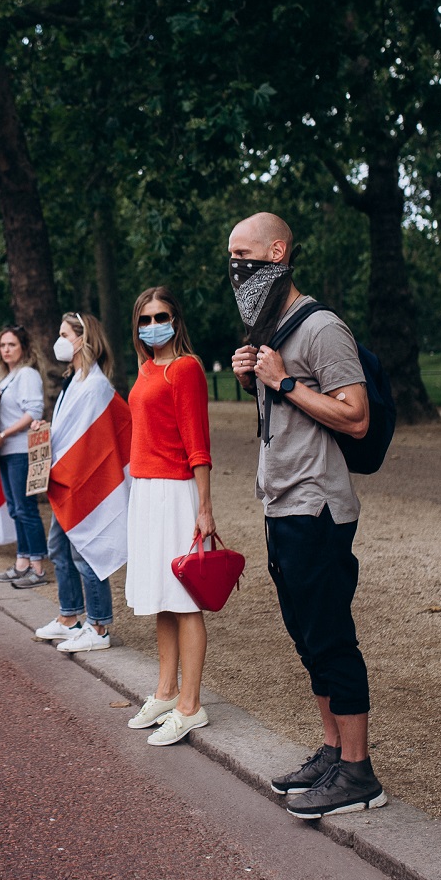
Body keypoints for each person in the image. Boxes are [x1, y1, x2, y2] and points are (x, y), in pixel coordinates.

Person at [227, 212, 382, 815]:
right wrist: (256, 381)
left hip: (317, 504)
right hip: (281, 501)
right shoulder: (272, 328)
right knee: (307, 637)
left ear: (278, 250)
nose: (236, 266)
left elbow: (356, 415)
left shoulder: (321, 328)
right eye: (230, 257)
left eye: (244, 253)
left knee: (331, 637)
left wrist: (285, 382)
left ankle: (358, 773)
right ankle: (331, 749)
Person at [123, 288, 214, 746]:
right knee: (161, 597)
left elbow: (197, 441)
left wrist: (204, 506)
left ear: (176, 319)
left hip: (176, 492)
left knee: (184, 600)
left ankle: (191, 706)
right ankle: (165, 691)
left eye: (160, 316)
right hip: (145, 490)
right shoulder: (144, 369)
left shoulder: (186, 368)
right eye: (144, 319)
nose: (152, 325)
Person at [35, 312, 127, 654]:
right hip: (66, 477)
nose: (58, 340)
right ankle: (69, 617)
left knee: (86, 548)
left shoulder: (95, 384)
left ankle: (99, 625)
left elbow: (94, 440)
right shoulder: (72, 380)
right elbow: (67, 430)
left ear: (82, 338)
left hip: (83, 480)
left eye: (64, 333)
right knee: (59, 547)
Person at [0, 325, 49, 587]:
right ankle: (22, 562)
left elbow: (34, 411)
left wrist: (5, 433)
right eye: (3, 345)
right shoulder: (5, 379)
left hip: (21, 451)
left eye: (12, 344)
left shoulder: (27, 375)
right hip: (5, 451)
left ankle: (38, 568)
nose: (6, 350)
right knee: (15, 509)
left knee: (26, 509)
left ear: (23, 347)